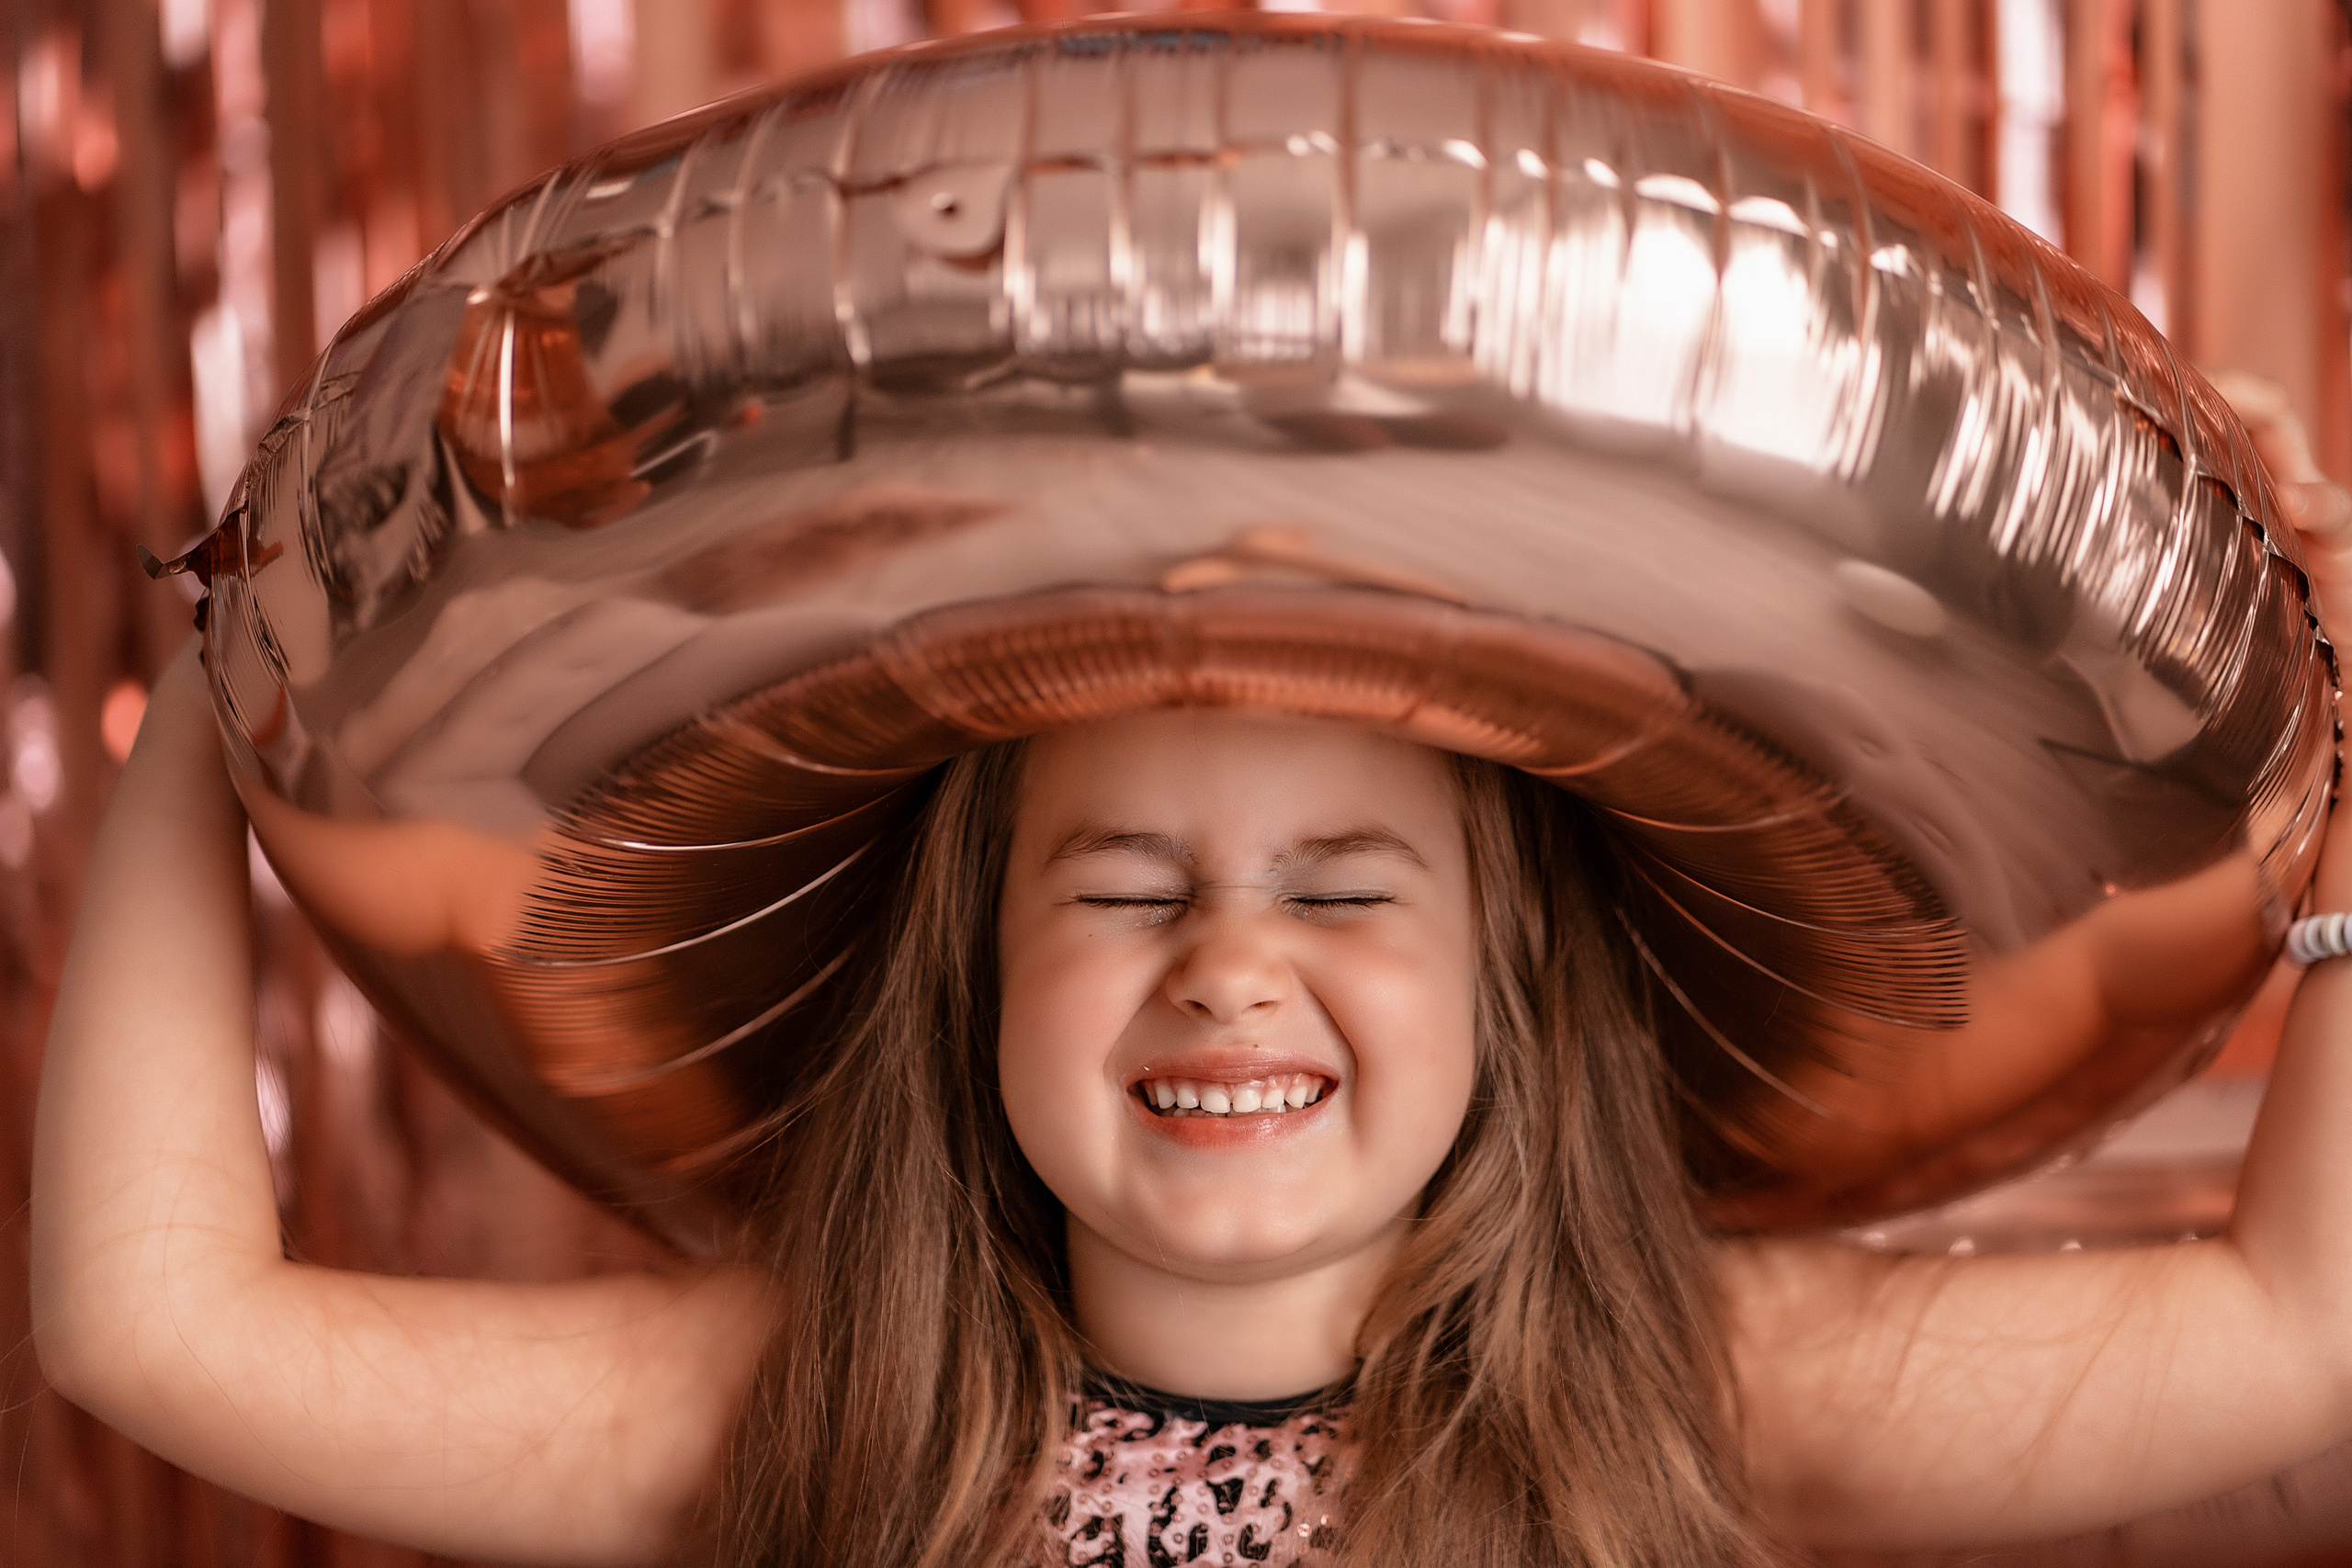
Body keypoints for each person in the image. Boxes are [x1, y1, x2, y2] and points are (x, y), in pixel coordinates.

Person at [28, 437, 2352, 1568]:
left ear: (1502, 984)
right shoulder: (798, 1395)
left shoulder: (1680, 1375)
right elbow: (153, 1329)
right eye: (1119, 883)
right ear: (976, 976)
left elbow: (2299, 1317)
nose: (1228, 959)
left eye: (1343, 884)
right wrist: (225, 669)